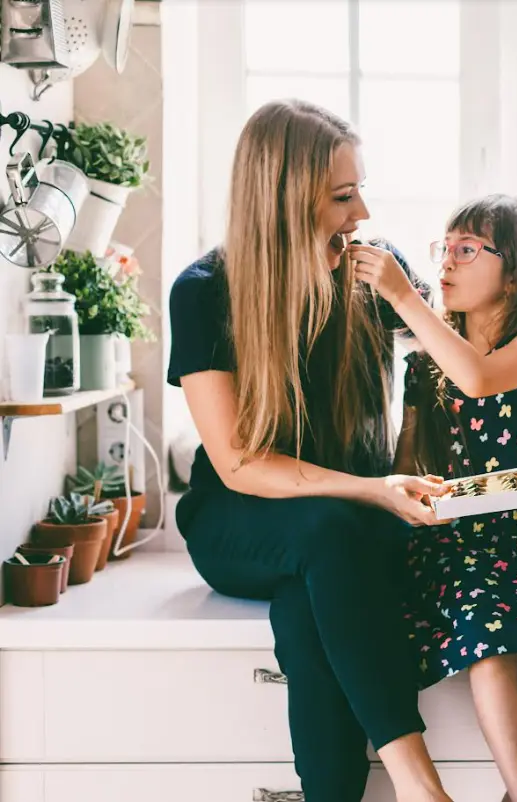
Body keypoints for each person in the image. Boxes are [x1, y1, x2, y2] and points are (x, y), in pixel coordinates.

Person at [168, 99, 454, 802]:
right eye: (342, 196)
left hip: (344, 538)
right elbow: (238, 463)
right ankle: (422, 787)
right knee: (327, 534)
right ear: (286, 200)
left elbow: (461, 373)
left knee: (309, 599)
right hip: (240, 522)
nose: (361, 213)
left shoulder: (372, 275)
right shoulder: (205, 294)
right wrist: (372, 487)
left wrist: (411, 300)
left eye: (359, 190)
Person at [347, 194, 517, 802]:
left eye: (467, 250)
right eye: (443, 249)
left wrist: (401, 294)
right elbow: (409, 461)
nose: (447, 263)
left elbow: (479, 375)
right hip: (460, 543)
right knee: (487, 645)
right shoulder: (429, 362)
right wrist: (400, 509)